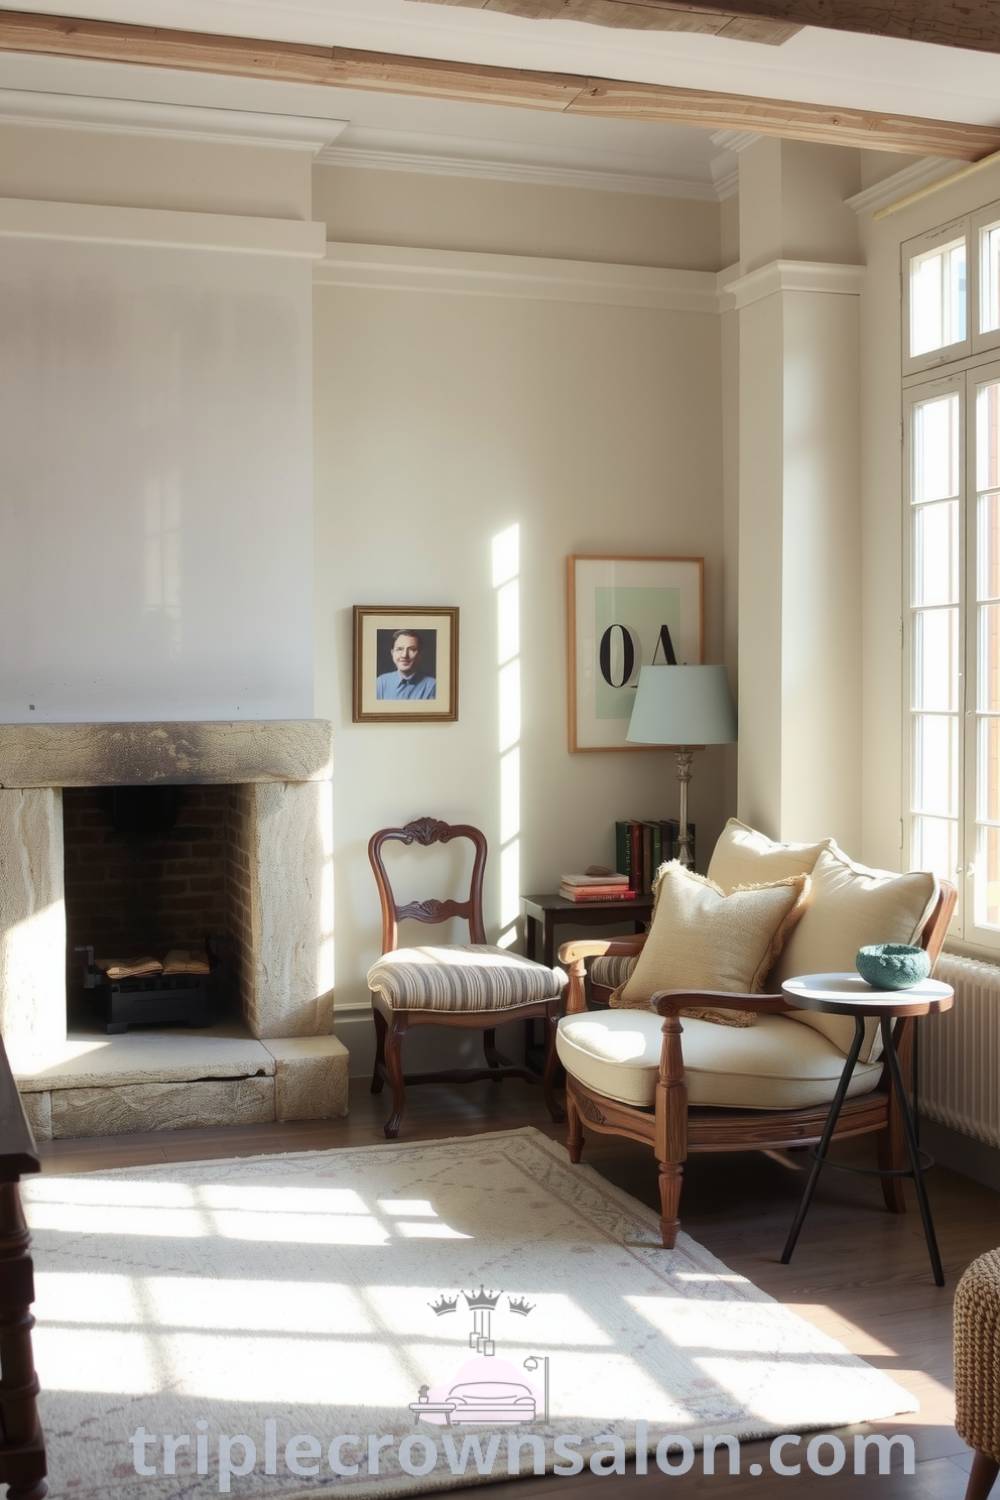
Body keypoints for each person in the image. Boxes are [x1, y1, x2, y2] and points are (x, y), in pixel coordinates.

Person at [376, 629, 437, 700]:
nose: (405, 655)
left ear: (420, 654)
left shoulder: (433, 686)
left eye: (412, 649)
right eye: (399, 649)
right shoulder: (381, 682)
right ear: (393, 653)